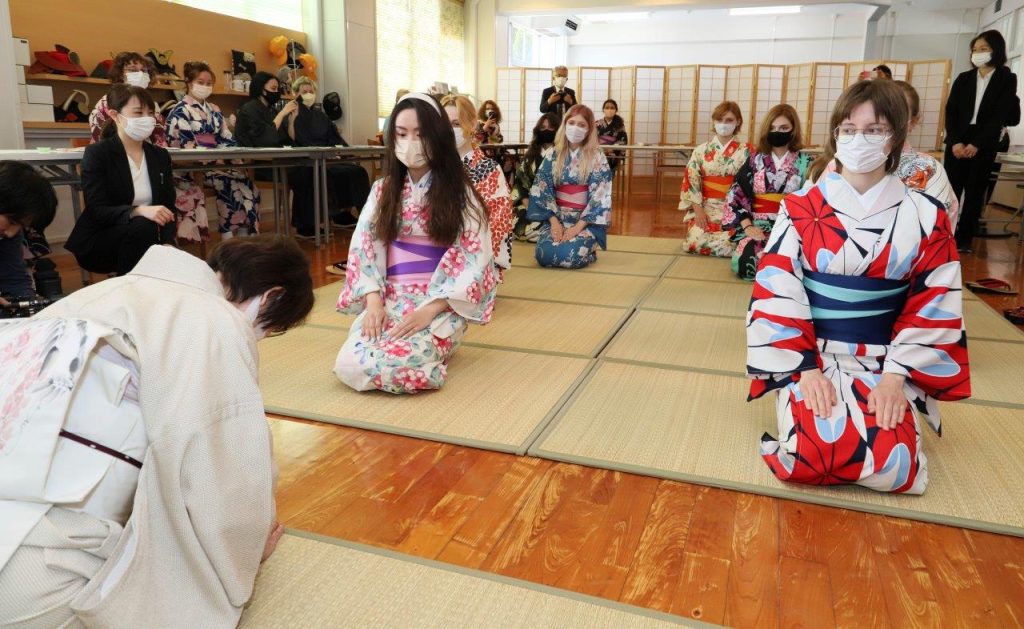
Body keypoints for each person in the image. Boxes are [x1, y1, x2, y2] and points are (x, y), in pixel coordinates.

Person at [0, 235, 313, 628]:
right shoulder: (213, 319)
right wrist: (248, 549)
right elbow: (224, 470)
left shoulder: (92, 295)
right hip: (38, 571)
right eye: (273, 329)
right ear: (270, 298)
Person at [747, 79, 971, 495]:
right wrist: (806, 370)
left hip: (887, 362)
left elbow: (934, 301)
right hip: (813, 356)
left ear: (896, 138)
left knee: (894, 469)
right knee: (814, 457)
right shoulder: (800, 207)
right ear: (835, 135)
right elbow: (776, 290)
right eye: (848, 129)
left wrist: (895, 379)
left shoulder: (926, 214)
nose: (859, 139)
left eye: (874, 129)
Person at [333, 93, 496, 394]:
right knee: (349, 364)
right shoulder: (383, 190)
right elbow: (364, 248)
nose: (411, 143)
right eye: (402, 133)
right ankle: (419, 359)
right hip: (390, 300)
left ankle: (431, 356)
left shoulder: (462, 194)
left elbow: (474, 258)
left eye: (421, 134)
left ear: (438, 136)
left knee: (390, 362)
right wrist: (373, 304)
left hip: (438, 306)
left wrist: (430, 309)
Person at [66, 85, 177, 276]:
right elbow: (96, 209)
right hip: (102, 238)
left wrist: (168, 242)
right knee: (143, 225)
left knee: (168, 255)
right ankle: (131, 287)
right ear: (115, 115)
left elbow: (168, 207)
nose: (147, 119)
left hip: (147, 235)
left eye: (150, 113)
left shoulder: (160, 156)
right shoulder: (98, 153)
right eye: (138, 112)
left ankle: (140, 286)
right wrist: (137, 211)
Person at [166, 61, 261, 240]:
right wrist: (214, 158)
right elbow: (183, 146)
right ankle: (228, 237)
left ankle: (244, 235)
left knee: (247, 183)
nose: (205, 86)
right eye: (201, 82)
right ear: (188, 82)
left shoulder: (214, 110)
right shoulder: (179, 112)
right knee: (228, 183)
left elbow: (225, 137)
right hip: (193, 168)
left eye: (209, 83)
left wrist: (230, 156)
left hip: (216, 165)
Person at [944, 30, 1019, 253]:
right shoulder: (963, 78)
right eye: (975, 50)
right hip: (958, 139)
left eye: (983, 49)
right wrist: (956, 142)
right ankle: (944, 235)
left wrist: (977, 144)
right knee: (951, 192)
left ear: (996, 50)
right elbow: (951, 112)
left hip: (984, 141)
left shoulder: (1006, 78)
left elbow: (999, 115)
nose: (977, 53)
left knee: (975, 192)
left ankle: (964, 239)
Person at [723, 104, 811, 280]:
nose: (777, 132)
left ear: (793, 130)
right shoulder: (755, 160)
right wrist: (748, 227)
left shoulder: (806, 162)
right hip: (758, 226)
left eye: (784, 128)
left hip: (791, 227)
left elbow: (812, 202)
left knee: (793, 261)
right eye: (773, 128)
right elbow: (736, 195)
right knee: (748, 261)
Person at [526, 104, 613, 269]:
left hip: (585, 221)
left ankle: (589, 251)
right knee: (544, 254)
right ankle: (582, 247)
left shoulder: (597, 156)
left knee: (570, 254)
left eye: (582, 125)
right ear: (564, 124)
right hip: (557, 217)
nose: (575, 128)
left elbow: (600, 196)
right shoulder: (554, 153)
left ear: (589, 130)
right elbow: (541, 188)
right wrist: (554, 222)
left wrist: (577, 228)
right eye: (571, 123)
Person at [287, 76, 370, 238]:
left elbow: (335, 139)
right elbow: (294, 139)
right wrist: (292, 120)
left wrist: (344, 152)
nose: (309, 94)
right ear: (295, 93)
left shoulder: (321, 116)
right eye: (304, 92)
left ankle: (347, 214)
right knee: (318, 173)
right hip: (303, 161)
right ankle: (307, 223)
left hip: (326, 158)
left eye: (311, 91)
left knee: (356, 171)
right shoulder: (290, 114)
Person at [444, 94, 514, 279]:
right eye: (445, 124)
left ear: (473, 124)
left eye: (456, 124)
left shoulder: (489, 169)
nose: (450, 130)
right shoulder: (430, 167)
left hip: (475, 255)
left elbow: (500, 221)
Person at [679, 101, 751, 257]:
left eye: (729, 120)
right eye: (720, 120)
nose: (723, 124)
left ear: (738, 121)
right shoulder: (701, 150)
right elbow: (691, 181)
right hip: (706, 207)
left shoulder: (747, 151)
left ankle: (736, 245)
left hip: (735, 208)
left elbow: (751, 185)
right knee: (694, 242)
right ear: (714, 122)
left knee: (738, 238)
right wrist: (698, 211)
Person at [893, 80, 959, 229]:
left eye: (897, 113)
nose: (886, 120)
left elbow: (937, 225)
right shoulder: (841, 164)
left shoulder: (923, 168)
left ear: (913, 121)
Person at [0, 161, 57, 303]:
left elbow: (15, 280)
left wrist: (29, 306)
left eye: (20, 227)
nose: (11, 233)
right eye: (12, 222)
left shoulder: (7, 234)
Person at [89, 52, 167, 147]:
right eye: (132, 70)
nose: (140, 74)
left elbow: (160, 138)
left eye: (144, 70)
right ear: (121, 74)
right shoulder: (106, 104)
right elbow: (102, 140)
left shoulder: (152, 104)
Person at [511, 113, 559, 242]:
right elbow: (520, 184)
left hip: (555, 207)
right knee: (515, 224)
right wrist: (531, 209)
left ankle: (547, 229)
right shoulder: (530, 156)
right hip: (530, 205)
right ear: (538, 130)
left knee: (545, 228)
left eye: (551, 128)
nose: (546, 131)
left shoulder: (563, 154)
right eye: (543, 128)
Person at [234, 71, 296, 149]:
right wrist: (282, 113)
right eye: (273, 88)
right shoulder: (249, 109)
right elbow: (265, 140)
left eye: (277, 89)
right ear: (262, 90)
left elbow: (287, 139)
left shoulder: (273, 110)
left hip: (277, 154)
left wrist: (291, 121)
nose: (277, 92)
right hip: (257, 156)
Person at [596, 99, 628, 174]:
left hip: (613, 152)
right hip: (599, 151)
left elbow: (623, 140)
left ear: (616, 110)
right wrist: (600, 149)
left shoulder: (620, 125)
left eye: (612, 108)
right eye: (607, 108)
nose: (609, 110)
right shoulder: (597, 123)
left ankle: (607, 181)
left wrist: (612, 149)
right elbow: (592, 139)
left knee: (609, 158)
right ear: (603, 110)